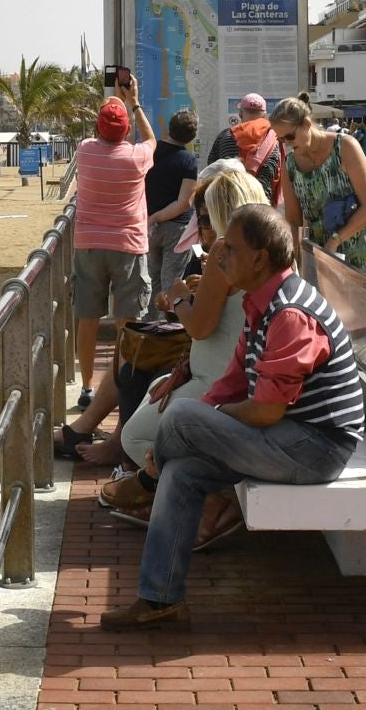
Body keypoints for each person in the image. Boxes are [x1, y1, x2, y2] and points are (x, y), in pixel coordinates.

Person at [99, 204, 365, 630]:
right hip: (288, 433)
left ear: (260, 259)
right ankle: (160, 599)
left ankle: (145, 481)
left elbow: (264, 409)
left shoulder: (290, 314)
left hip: (316, 447)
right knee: (182, 470)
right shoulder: (265, 303)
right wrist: (200, 423)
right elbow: (233, 379)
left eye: (231, 249)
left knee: (183, 415)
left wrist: (202, 420)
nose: (217, 256)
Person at [102, 163, 267, 501]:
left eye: (204, 219)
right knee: (152, 390)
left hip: (219, 386)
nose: (201, 228)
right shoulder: (260, 252)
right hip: (243, 382)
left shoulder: (225, 253)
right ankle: (167, 484)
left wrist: (178, 297)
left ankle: (188, 490)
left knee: (133, 436)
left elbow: (199, 327)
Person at [70, 75, 158, 408]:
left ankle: (87, 388)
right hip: (128, 246)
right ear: (125, 130)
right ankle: (122, 384)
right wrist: (132, 101)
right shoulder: (137, 157)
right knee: (128, 321)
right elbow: (151, 138)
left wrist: (112, 104)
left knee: (87, 318)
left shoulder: (86, 151)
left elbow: (101, 130)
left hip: (89, 244)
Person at [272, 94, 366, 280]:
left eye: (290, 136)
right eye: (280, 140)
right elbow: (293, 220)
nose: (286, 143)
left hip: (365, 252)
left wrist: (335, 240)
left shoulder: (344, 146)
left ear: (307, 124)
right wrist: (293, 259)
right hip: (323, 258)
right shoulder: (290, 165)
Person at [145, 109, 200, 294]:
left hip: (148, 225)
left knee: (152, 279)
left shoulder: (150, 151)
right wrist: (159, 217)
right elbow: (184, 202)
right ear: (191, 136)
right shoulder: (188, 160)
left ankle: (150, 320)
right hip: (177, 228)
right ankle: (169, 321)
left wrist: (153, 218)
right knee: (172, 281)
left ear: (170, 128)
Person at [206, 93, 281, 201]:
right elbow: (272, 171)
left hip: (227, 201)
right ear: (264, 116)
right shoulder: (273, 137)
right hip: (259, 201)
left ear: (240, 114)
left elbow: (212, 166)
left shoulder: (225, 135)